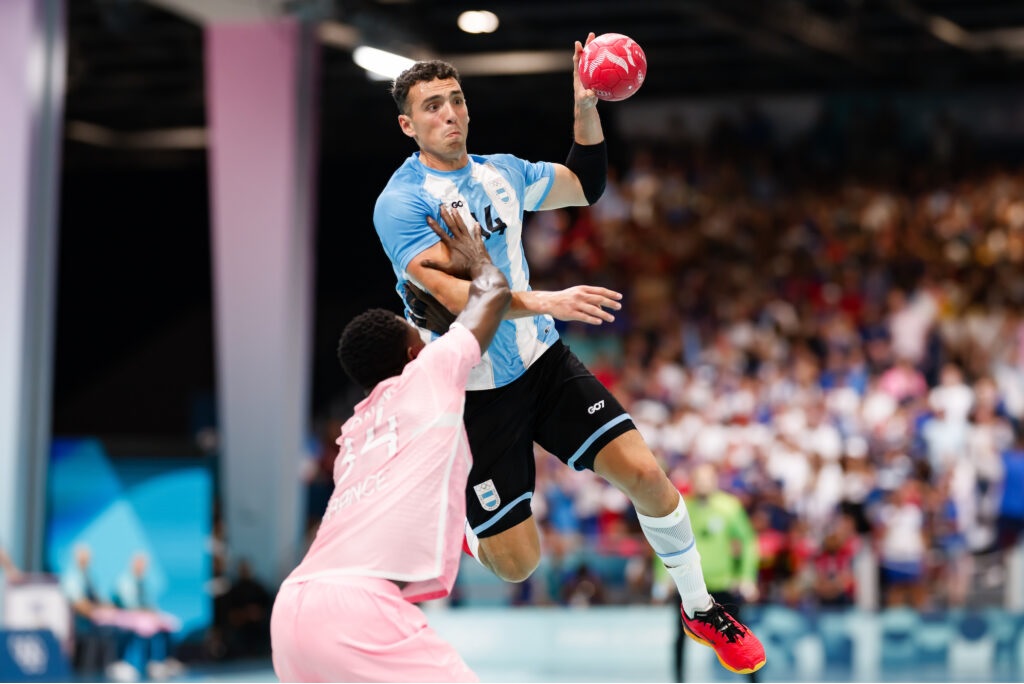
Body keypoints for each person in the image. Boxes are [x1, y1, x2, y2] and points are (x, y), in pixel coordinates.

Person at [372, 36, 765, 674]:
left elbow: (585, 184)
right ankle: (461, 523)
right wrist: (546, 300)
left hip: (544, 364)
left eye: (456, 100)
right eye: (433, 106)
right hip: (474, 394)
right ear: (407, 124)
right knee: (517, 564)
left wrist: (586, 107)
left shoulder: (500, 172)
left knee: (647, 475)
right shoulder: (402, 204)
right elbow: (456, 295)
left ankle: (699, 606)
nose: (449, 113)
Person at [270, 206, 511, 682]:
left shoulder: (353, 432)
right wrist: (476, 255)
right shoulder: (430, 370)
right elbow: (495, 294)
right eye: (420, 337)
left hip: (293, 607)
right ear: (412, 354)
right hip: (356, 609)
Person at [656, 463, 760, 682]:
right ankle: (679, 680)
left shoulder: (729, 506)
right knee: (681, 637)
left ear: (715, 480)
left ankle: (754, 680)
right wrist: (661, 579)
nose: (703, 483)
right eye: (698, 478)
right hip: (688, 585)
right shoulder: (682, 507)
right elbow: (666, 543)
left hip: (723, 583)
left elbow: (748, 541)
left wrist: (746, 577)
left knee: (738, 636)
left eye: (707, 478)